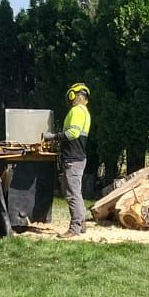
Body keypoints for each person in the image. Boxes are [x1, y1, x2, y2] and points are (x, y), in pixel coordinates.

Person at [58, 82, 92, 235]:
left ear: (74, 95)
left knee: (72, 193)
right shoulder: (85, 111)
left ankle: (75, 228)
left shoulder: (77, 111)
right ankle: (82, 223)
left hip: (73, 158)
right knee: (75, 192)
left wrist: (54, 137)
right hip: (78, 157)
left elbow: (73, 134)